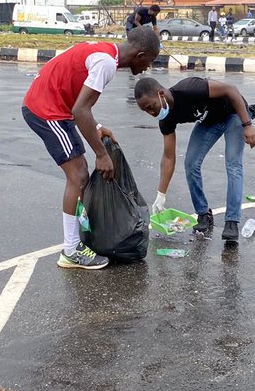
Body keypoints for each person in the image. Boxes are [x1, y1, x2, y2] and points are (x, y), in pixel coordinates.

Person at [22, 27, 161, 269]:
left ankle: (76, 241)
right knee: (78, 175)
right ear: (140, 55)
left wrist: (95, 126)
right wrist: (101, 154)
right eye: (150, 61)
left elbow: (78, 100)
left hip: (55, 106)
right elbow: (80, 111)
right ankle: (71, 249)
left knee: (81, 174)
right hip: (45, 110)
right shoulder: (106, 63)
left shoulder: (105, 52)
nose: (148, 68)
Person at [134, 75, 255, 243]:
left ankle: (232, 221)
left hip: (233, 114)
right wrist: (161, 194)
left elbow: (231, 89)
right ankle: (204, 214)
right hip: (208, 122)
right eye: (146, 111)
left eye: (151, 106)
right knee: (191, 163)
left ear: (161, 94)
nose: (151, 113)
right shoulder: (166, 119)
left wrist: (247, 125)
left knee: (233, 163)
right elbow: (168, 156)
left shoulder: (189, 88)